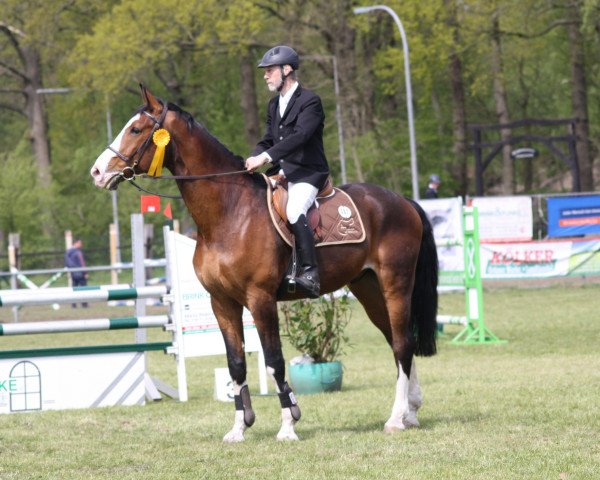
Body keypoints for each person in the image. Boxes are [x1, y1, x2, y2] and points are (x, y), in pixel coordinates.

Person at [245, 45, 330, 298]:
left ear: (287, 69)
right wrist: (253, 156)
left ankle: (310, 273)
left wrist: (266, 156)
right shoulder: (274, 105)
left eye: (269, 70)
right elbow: (269, 139)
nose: (265, 75)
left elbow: (300, 137)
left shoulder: (310, 101)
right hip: (282, 171)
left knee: (294, 210)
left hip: (308, 172)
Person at [65, 238, 89, 307]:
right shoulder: (78, 252)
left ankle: (73, 304)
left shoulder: (68, 252)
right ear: (75, 243)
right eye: (80, 243)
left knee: (74, 288)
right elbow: (82, 263)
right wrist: (85, 272)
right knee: (83, 288)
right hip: (80, 273)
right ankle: (84, 304)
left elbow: (67, 263)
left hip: (73, 273)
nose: (81, 245)